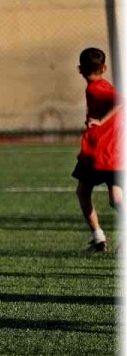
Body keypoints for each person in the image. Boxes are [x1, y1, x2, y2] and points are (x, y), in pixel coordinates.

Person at [73, 47, 122, 252]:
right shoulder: (102, 85)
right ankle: (100, 239)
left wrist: (100, 121)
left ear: (79, 69)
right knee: (116, 198)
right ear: (104, 68)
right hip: (116, 151)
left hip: (99, 152)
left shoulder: (95, 88)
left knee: (83, 192)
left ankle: (98, 237)